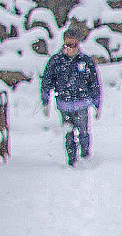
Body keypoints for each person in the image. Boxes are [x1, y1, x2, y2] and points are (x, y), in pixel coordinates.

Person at [38, 31, 102, 166]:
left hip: (82, 104)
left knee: (84, 131)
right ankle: (71, 160)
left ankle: (85, 156)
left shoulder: (86, 61)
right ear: (64, 44)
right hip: (64, 105)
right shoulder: (56, 61)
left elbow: (94, 83)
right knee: (68, 133)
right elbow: (47, 81)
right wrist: (45, 101)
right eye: (69, 45)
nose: (72, 48)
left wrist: (97, 103)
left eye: (74, 45)